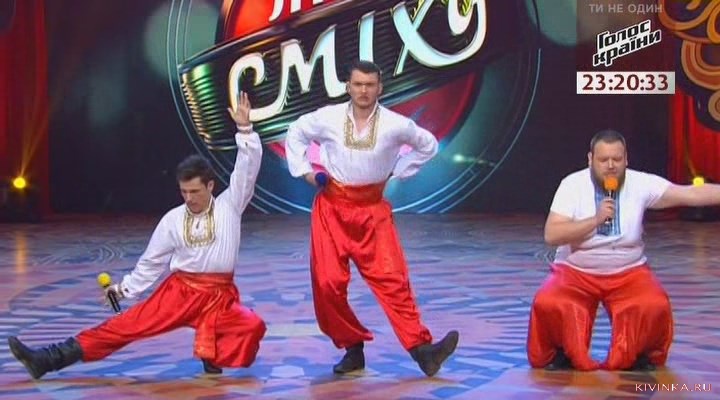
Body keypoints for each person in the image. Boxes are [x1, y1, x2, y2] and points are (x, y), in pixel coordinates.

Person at [8, 92, 266, 379]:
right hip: (181, 292)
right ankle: (48, 358)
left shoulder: (230, 205)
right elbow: (151, 263)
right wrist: (123, 289)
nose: (189, 198)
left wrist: (245, 129)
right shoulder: (172, 220)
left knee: (251, 325)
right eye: (184, 192)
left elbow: (247, 171)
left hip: (220, 296)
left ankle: (212, 354)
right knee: (126, 326)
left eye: (195, 191)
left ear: (210, 186)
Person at [284, 60, 459, 377]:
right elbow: (296, 132)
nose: (363, 90)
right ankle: (352, 348)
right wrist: (306, 172)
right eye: (358, 84)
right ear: (348, 86)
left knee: (394, 280)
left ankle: (423, 351)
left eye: (369, 85)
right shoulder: (328, 117)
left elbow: (428, 145)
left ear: (380, 87)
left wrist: (399, 170)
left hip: (372, 212)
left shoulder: (396, 124)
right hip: (332, 210)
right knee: (327, 284)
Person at [527, 129, 720, 371]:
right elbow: (552, 235)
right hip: (575, 272)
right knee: (550, 302)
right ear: (590, 159)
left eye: (617, 159)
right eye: (603, 160)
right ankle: (560, 353)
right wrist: (596, 220)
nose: (610, 166)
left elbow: (689, 193)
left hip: (629, 272)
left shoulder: (641, 183)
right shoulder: (572, 185)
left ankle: (639, 354)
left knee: (652, 304)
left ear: (626, 159)